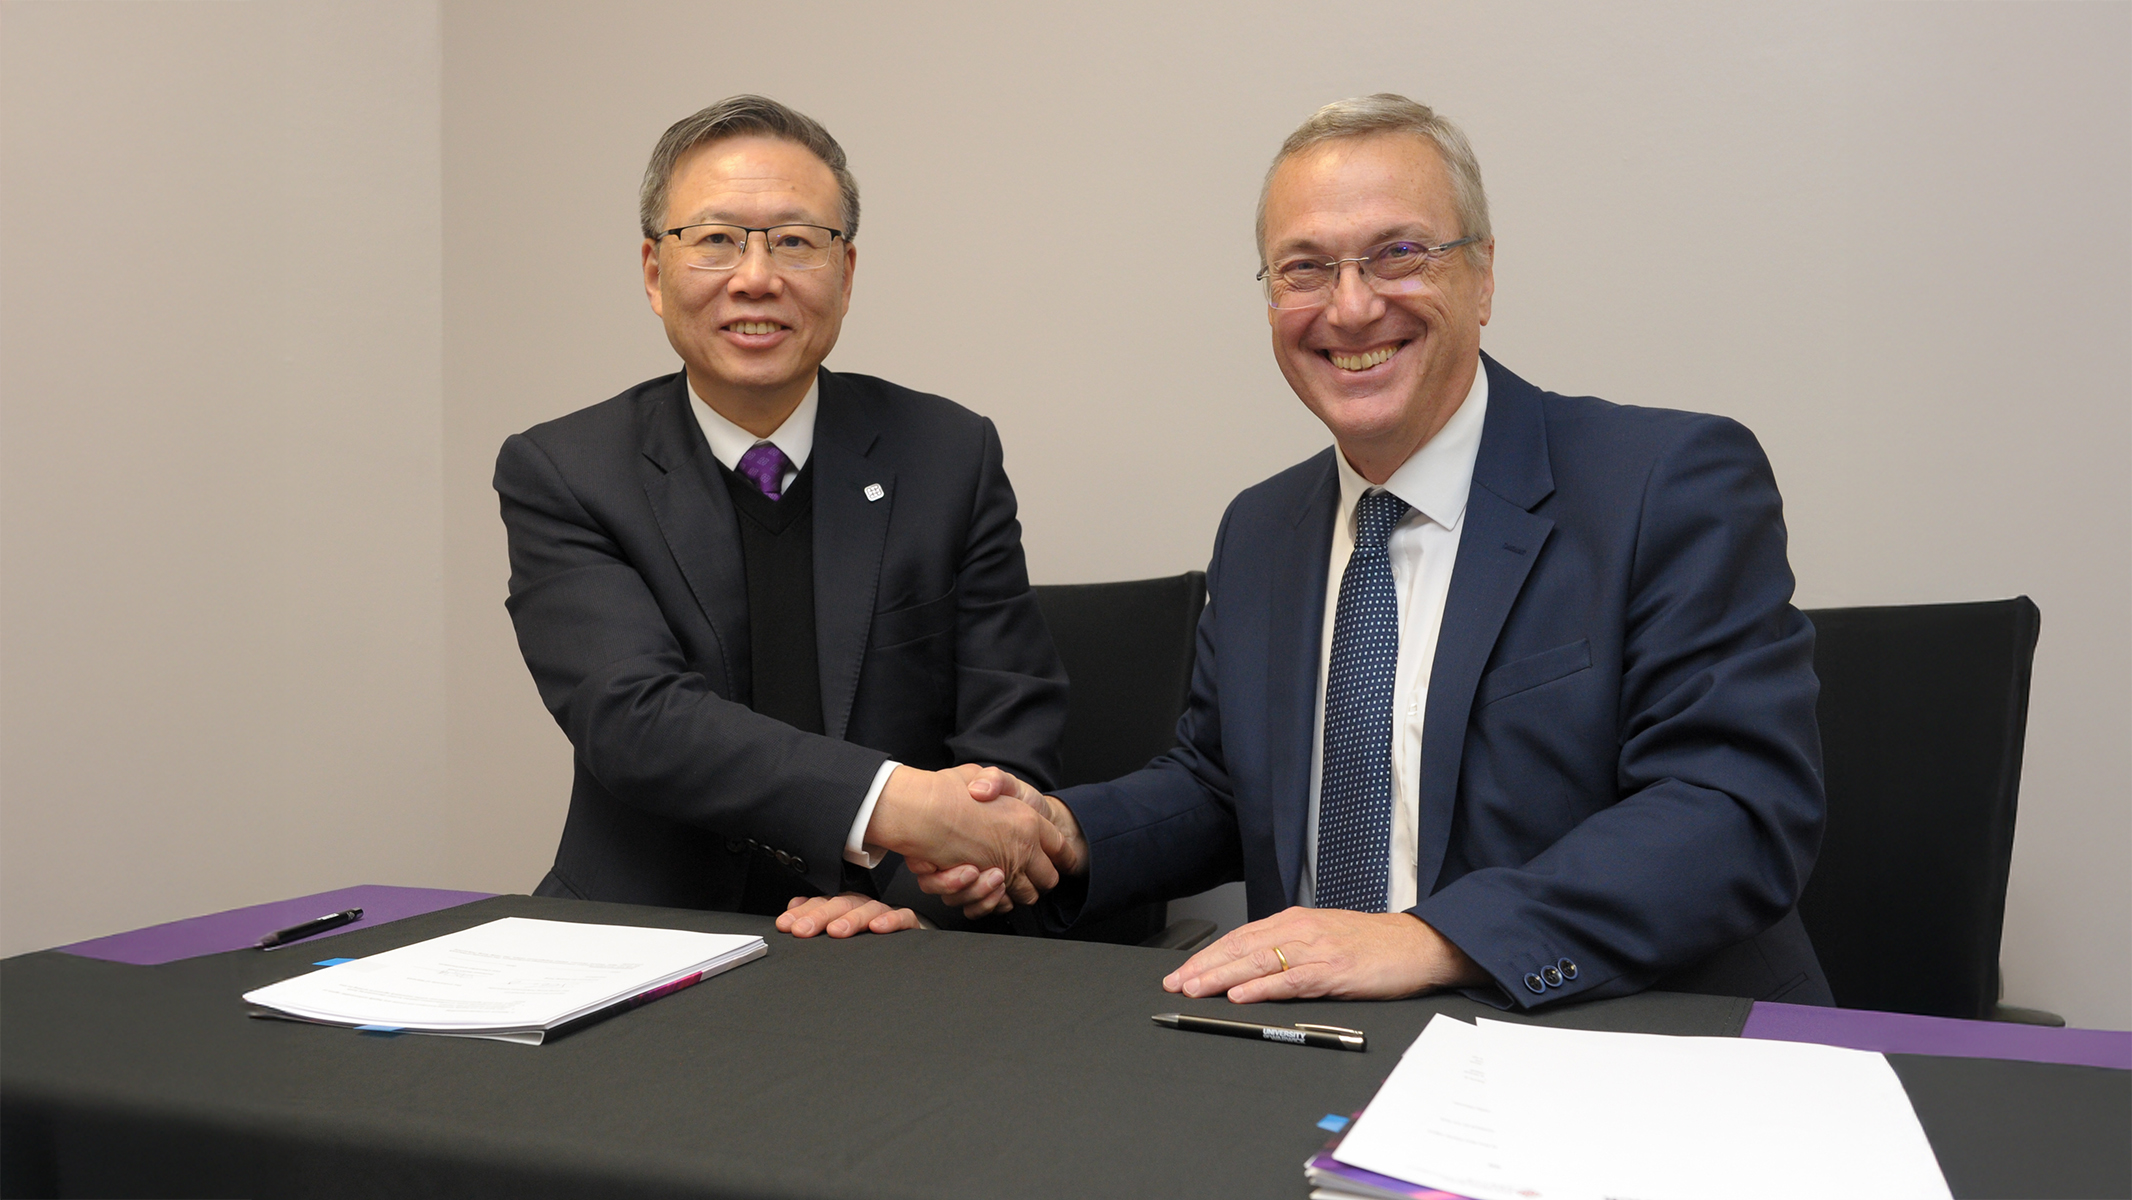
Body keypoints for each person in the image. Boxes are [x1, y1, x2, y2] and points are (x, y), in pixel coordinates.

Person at [925, 94, 1832, 1010]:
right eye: (1305, 268)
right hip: (1326, 1054)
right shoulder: (1262, 529)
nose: (1351, 308)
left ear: (1483, 276)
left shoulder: (1665, 483)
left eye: (1399, 254)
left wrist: (1432, 939)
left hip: (1623, 1043)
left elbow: (1732, 812)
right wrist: (1064, 833)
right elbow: (1220, 787)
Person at [494, 95, 1068, 938]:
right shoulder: (566, 471)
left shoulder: (949, 453)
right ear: (655, 272)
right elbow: (636, 718)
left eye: (796, 242)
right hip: (643, 932)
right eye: (717, 239)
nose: (755, 277)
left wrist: (930, 885)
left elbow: (1010, 716)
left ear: (847, 272)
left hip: (891, 938)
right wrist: (891, 805)